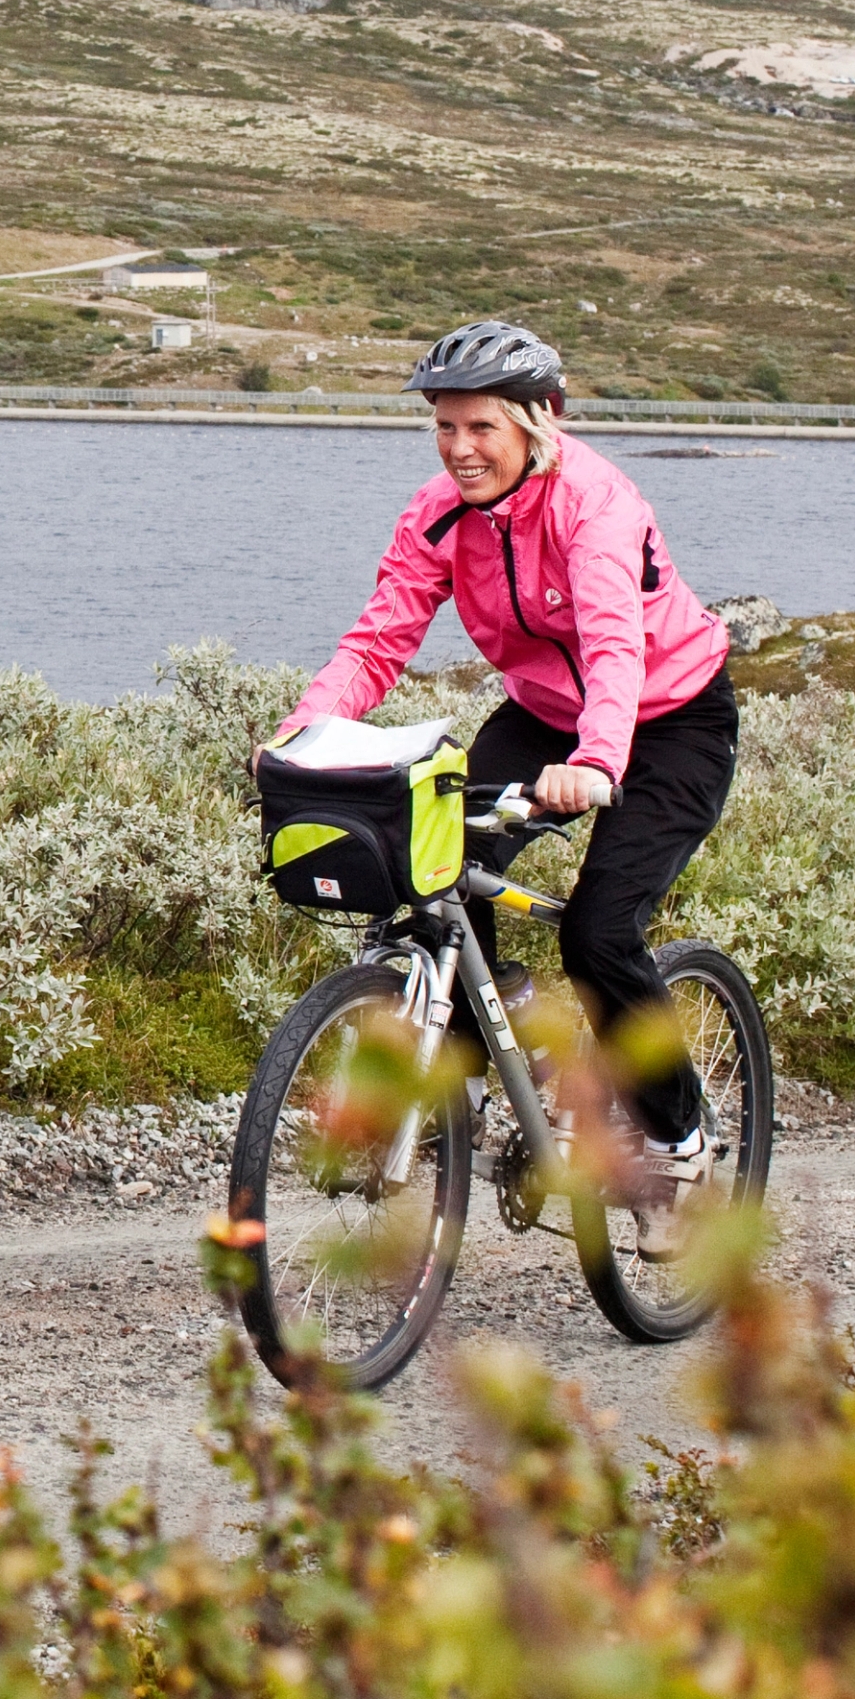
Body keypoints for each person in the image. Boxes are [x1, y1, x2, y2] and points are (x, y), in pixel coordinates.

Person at [269, 319, 738, 1195]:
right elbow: (379, 643)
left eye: (481, 427)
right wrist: (305, 736)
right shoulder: (439, 515)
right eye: (445, 426)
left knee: (601, 933)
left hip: (671, 719)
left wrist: (598, 760)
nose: (460, 448)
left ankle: (679, 1144)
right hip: (541, 714)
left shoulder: (595, 506)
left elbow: (611, 644)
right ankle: (494, 1051)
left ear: (538, 421)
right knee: (437, 866)